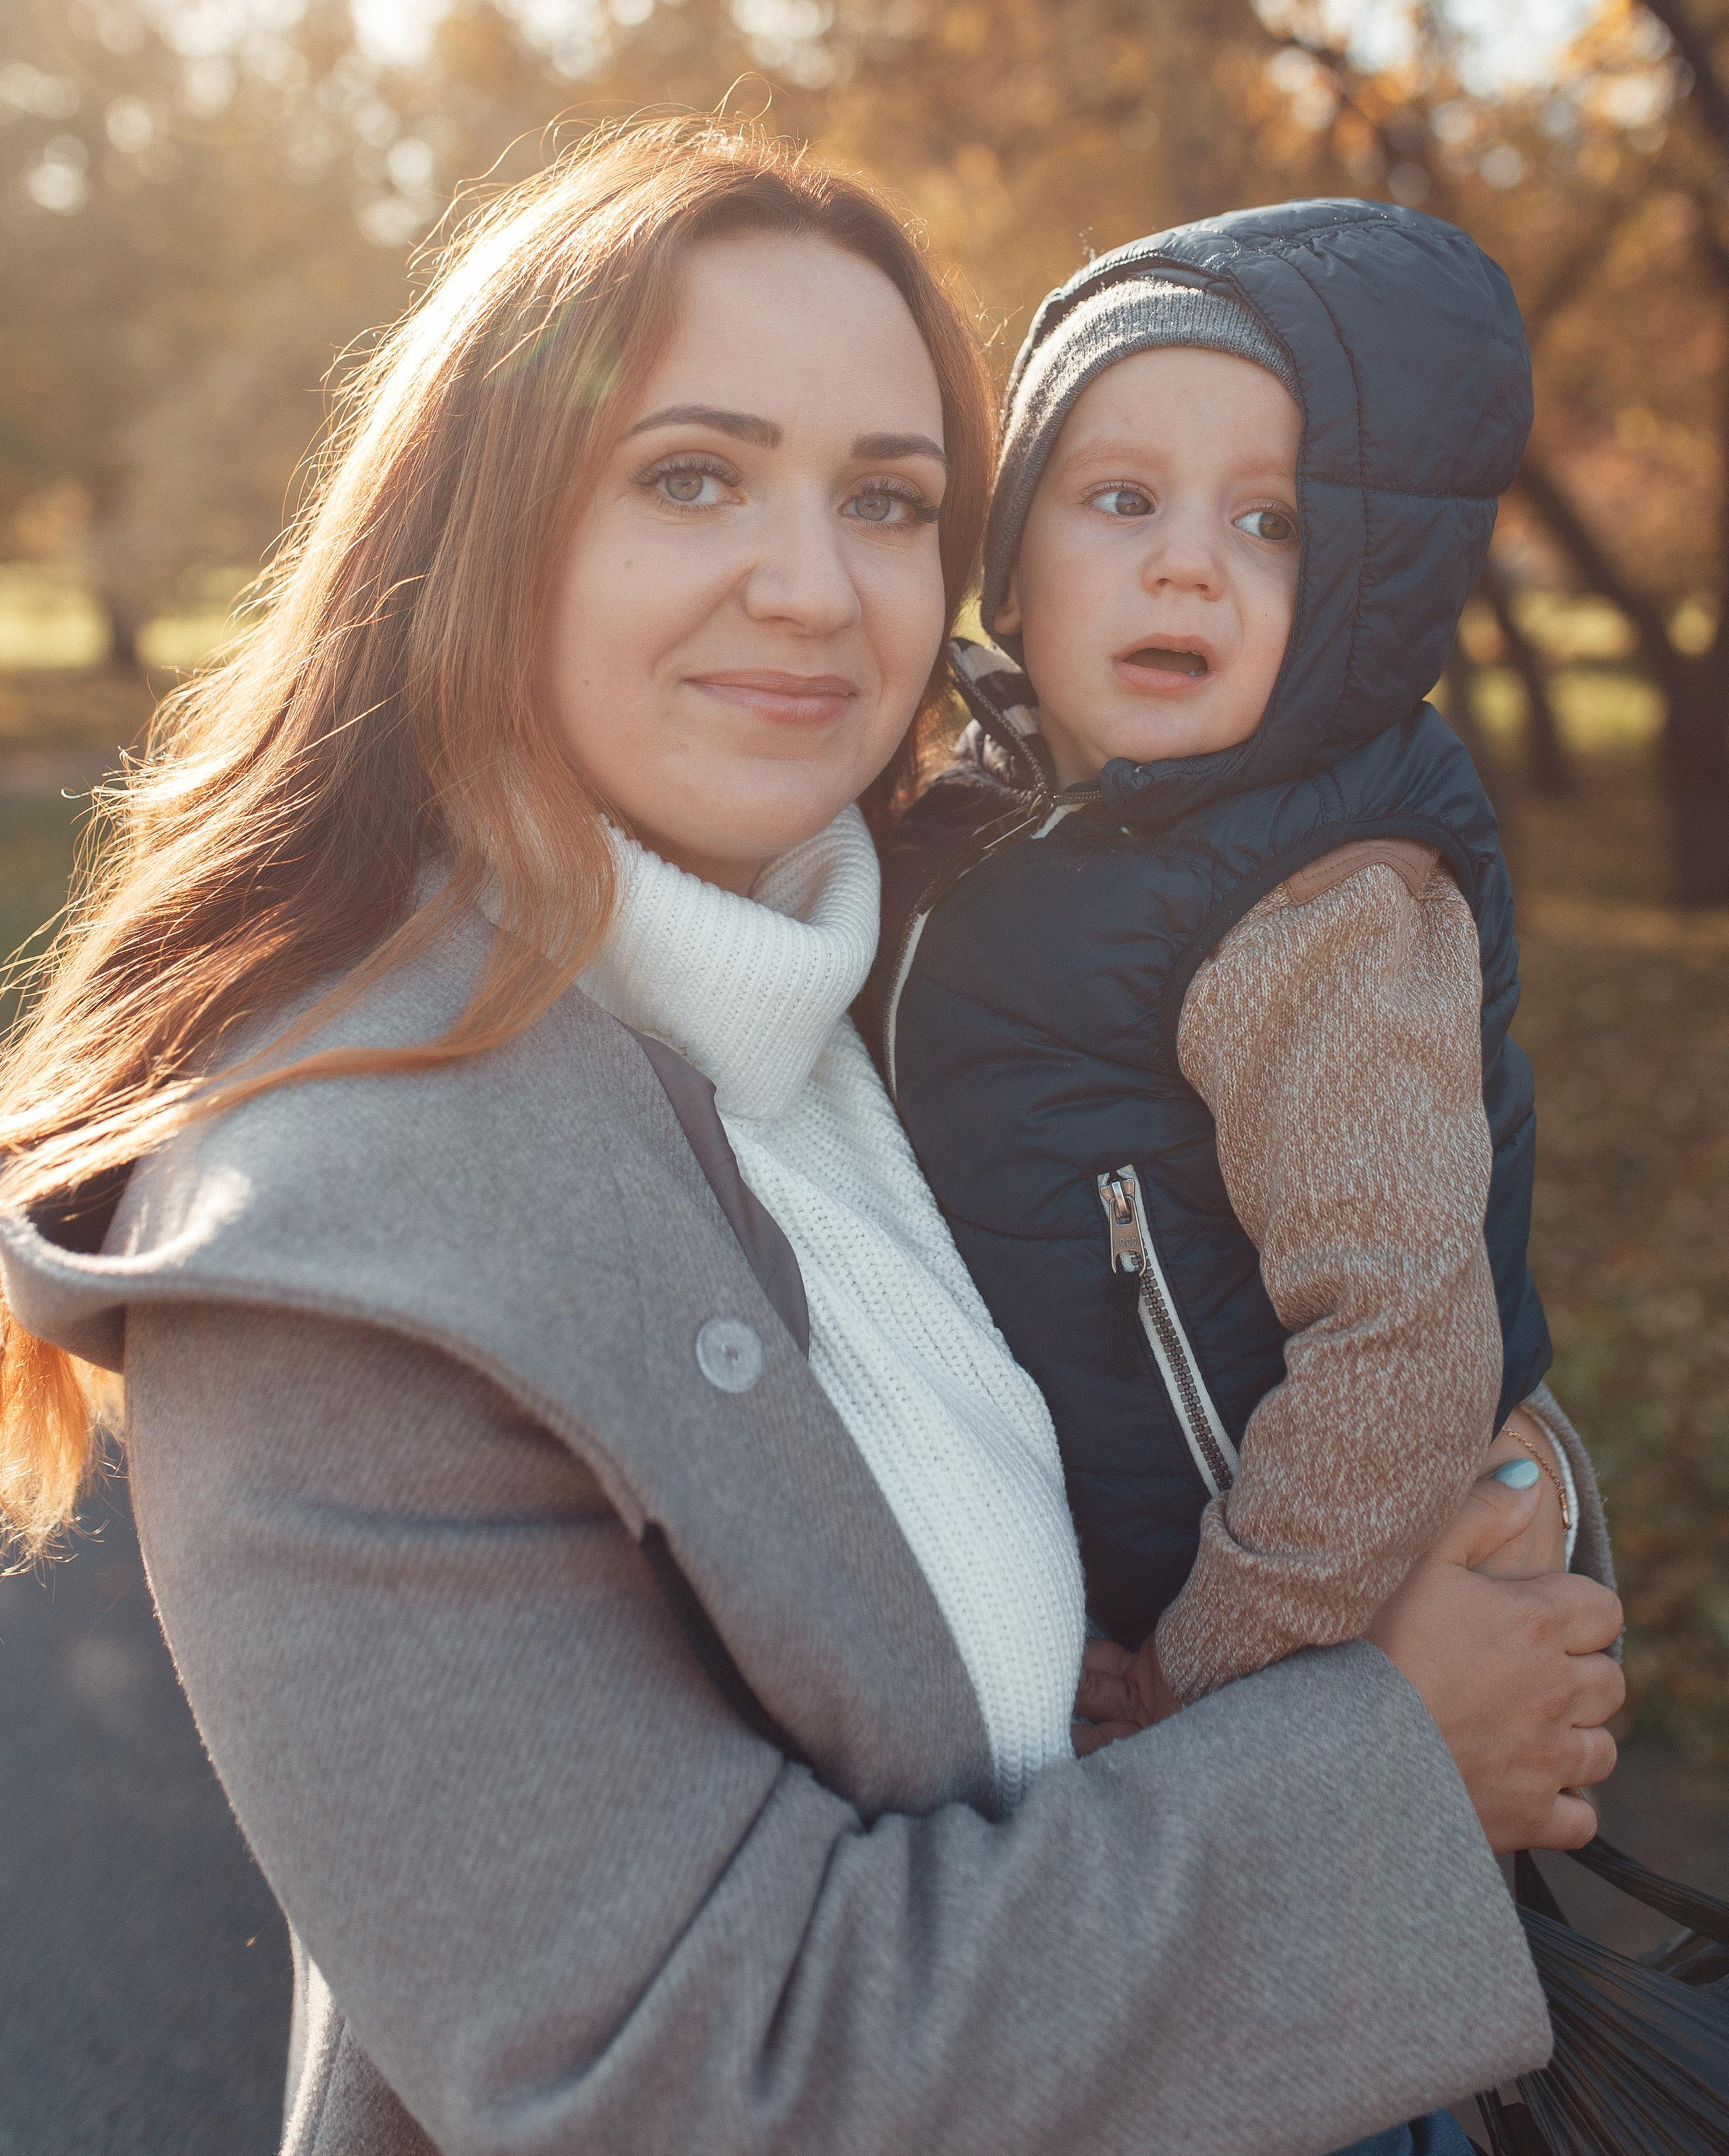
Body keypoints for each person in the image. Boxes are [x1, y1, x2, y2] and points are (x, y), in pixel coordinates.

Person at [0, 128, 1622, 2156]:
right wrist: (1388, 1765)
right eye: (694, 474)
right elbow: (687, 2072)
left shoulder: (896, 988)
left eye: (887, 498)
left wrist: (1503, 1491)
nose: (812, 580)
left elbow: (1316, 1300)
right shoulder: (344, 1247)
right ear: (486, 530)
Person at [879, 200, 1602, 1753]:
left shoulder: (1315, 906)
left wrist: (1201, 1677)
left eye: (1269, 522)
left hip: (1255, 1653)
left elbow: (1402, 1346)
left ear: (1354, 593)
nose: (1187, 568)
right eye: (1121, 499)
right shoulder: (971, 828)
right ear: (1007, 561)